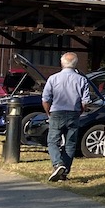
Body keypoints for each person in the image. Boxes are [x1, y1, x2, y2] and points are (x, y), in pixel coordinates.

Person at [42, 52, 94, 182]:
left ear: (62, 63)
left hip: (57, 112)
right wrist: (80, 111)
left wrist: (48, 112)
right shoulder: (82, 79)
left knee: (52, 141)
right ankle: (64, 172)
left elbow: (45, 99)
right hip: (73, 113)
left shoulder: (53, 78)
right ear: (75, 64)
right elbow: (85, 102)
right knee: (70, 144)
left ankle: (57, 164)